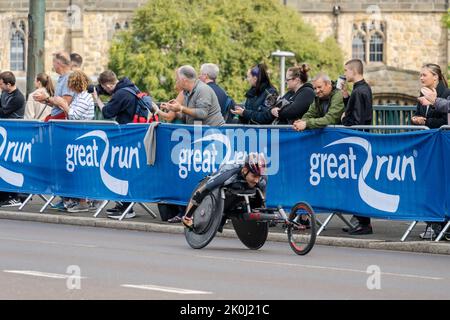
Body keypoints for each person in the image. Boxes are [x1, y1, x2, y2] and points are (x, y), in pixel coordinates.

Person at [92, 70, 147, 219]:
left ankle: (127, 207)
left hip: (127, 138)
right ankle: (123, 204)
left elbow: (107, 112)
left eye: (104, 87)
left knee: (124, 171)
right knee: (126, 170)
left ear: (108, 84)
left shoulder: (121, 94)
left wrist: (97, 99)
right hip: (136, 136)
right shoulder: (131, 87)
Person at [182, 153, 267, 229]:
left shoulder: (262, 178)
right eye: (254, 176)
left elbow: (263, 197)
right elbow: (199, 193)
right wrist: (188, 216)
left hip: (241, 183)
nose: (256, 180)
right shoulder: (227, 175)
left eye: (259, 177)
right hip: (226, 177)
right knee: (228, 185)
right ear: (245, 170)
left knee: (255, 187)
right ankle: (223, 215)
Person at [340, 59, 374, 235]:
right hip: (360, 140)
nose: (345, 74)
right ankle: (360, 221)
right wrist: (346, 99)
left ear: (354, 71)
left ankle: (364, 223)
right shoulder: (360, 89)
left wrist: (344, 119)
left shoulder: (360, 90)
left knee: (359, 181)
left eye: (346, 70)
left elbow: (357, 120)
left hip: (358, 141)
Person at [0, 71, 26, 206]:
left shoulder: (18, 97)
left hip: (15, 135)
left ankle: (15, 196)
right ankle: (3, 194)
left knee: (12, 165)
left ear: (8, 84)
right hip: (4, 133)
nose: (0, 87)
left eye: (1, 84)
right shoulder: (4, 93)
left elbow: (3, 112)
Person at [33, 51, 75, 121]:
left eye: (53, 62)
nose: (53, 65)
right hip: (56, 118)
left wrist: (47, 98)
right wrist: (45, 100)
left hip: (60, 120)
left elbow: (64, 104)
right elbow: (58, 105)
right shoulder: (62, 78)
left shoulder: (69, 78)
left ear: (58, 64)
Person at [412, 63, 449, 129]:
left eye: (424, 75)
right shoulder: (423, 93)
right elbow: (417, 113)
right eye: (420, 75)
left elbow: (446, 121)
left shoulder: (447, 93)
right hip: (425, 135)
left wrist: (425, 122)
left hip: (439, 136)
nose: (421, 78)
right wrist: (415, 119)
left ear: (435, 76)